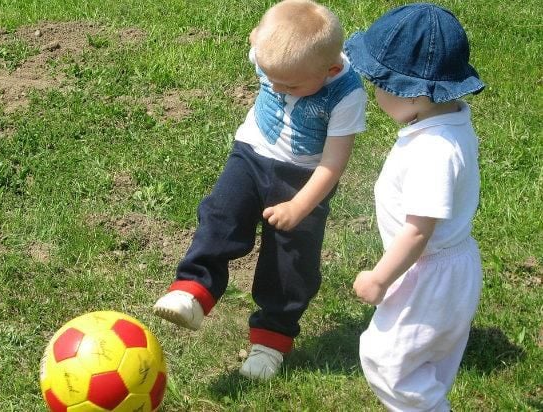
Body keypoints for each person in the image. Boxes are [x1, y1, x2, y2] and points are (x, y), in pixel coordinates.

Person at [153, 0, 367, 380]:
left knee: (290, 263)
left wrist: (300, 206)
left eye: (290, 85)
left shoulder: (346, 93)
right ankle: (193, 290)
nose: (277, 87)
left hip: (303, 179)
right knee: (220, 214)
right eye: (269, 77)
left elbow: (333, 163)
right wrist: (261, 45)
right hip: (250, 154)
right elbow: (260, 40)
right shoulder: (269, 54)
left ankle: (270, 342)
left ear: (331, 69)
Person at [343, 3, 485, 411]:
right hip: (451, 268)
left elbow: (418, 231)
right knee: (427, 365)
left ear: (414, 93)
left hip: (426, 275)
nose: (375, 91)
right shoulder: (451, 120)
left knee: (387, 363)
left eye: (381, 83)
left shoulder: (433, 152)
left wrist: (379, 279)